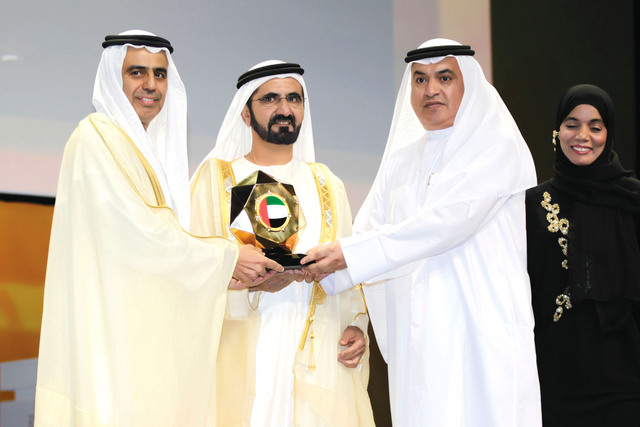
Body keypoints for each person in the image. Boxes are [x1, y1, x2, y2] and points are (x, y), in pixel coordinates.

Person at [34, 30, 279, 426]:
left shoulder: (140, 148)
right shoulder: (95, 138)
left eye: (160, 74)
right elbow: (140, 237)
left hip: (139, 336)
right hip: (110, 338)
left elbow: (158, 245)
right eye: (137, 72)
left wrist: (221, 272)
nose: (150, 84)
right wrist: (226, 257)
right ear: (114, 77)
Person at [302, 38, 542, 426]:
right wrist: (305, 268)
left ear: (468, 84)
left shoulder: (496, 146)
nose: (431, 89)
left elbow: (445, 223)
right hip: (419, 337)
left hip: (480, 331)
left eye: (444, 77)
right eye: (420, 79)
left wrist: (348, 256)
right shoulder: (401, 163)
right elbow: (365, 231)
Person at [190, 60, 375, 426]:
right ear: (246, 113)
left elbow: (350, 272)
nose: (285, 108)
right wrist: (243, 274)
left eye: (294, 99)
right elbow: (191, 265)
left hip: (316, 355)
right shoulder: (218, 179)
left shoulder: (327, 183)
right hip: (245, 354)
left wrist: (357, 326)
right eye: (270, 99)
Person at [526, 84, 640, 426]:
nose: (583, 136)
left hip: (627, 380)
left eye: (596, 126)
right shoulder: (531, 205)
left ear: (609, 133)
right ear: (557, 131)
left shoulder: (632, 201)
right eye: (572, 124)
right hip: (555, 381)